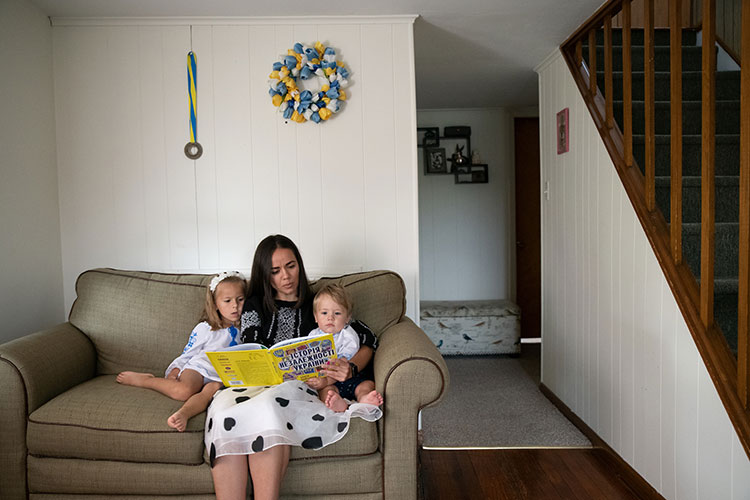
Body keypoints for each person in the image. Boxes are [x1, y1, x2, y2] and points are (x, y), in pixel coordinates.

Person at [206, 234, 379, 500]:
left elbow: (367, 337)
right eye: (275, 271)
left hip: (298, 387)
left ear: (299, 264)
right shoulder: (254, 305)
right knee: (222, 411)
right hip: (253, 385)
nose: (286, 276)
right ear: (265, 275)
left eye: (291, 266)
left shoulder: (318, 303)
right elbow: (251, 345)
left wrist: (351, 368)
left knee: (268, 407)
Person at [116, 271, 246, 432]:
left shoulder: (246, 328)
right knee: (184, 391)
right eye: (227, 301)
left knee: (210, 392)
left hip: (222, 375)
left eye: (240, 300)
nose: (235, 306)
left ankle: (183, 414)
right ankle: (145, 380)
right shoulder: (206, 328)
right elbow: (189, 353)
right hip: (200, 367)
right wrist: (175, 370)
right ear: (215, 304)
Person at [305, 283, 383, 412]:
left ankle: (364, 398)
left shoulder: (348, 334)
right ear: (316, 317)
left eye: (337, 313)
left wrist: (326, 377)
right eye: (324, 313)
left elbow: (344, 362)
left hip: (352, 377)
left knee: (366, 385)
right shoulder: (312, 336)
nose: (330, 317)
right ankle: (337, 402)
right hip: (329, 382)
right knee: (326, 392)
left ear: (347, 318)